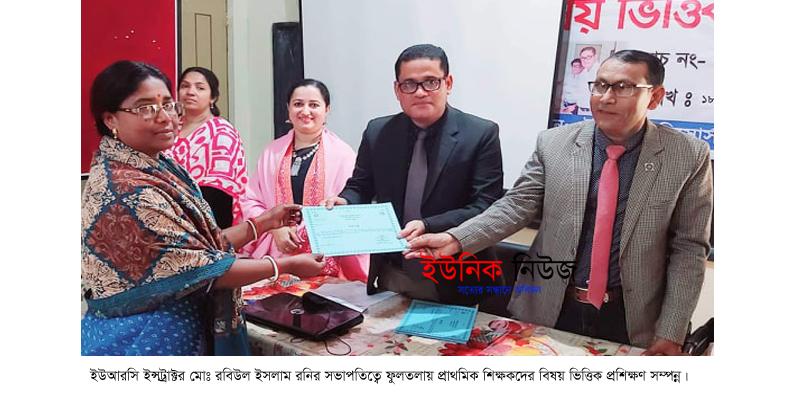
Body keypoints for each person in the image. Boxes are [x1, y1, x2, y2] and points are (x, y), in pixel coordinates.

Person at [406, 50, 713, 355]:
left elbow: (689, 248)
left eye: (623, 87)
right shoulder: (554, 143)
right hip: (550, 308)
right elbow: (515, 206)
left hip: (632, 318)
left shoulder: (688, 155)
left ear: (655, 97)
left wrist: (672, 331)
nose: (606, 97)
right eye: (600, 85)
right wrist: (455, 239)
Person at [82, 61, 324, 356]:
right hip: (143, 339)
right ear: (111, 119)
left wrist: (264, 223)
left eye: (167, 105)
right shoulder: (129, 190)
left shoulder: (158, 163)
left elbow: (195, 245)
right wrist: (286, 265)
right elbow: (202, 267)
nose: (165, 117)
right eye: (146, 108)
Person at [324, 44, 504, 305]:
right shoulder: (378, 132)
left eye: (430, 82)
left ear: (448, 83)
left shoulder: (480, 134)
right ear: (397, 90)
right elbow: (360, 186)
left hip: (456, 276)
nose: (420, 92)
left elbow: (485, 207)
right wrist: (345, 201)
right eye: (409, 84)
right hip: (393, 272)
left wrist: (428, 224)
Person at [240, 79, 368, 281]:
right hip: (275, 255)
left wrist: (305, 233)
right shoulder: (272, 152)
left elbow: (349, 209)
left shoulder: (343, 155)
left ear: (327, 110)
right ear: (288, 108)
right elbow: (251, 200)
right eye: (298, 104)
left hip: (325, 259)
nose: (305, 111)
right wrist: (274, 228)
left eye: (314, 105)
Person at [163, 67, 247, 228]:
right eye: (185, 86)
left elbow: (220, 194)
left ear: (213, 97)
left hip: (207, 223)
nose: (190, 92)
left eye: (200, 88)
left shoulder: (221, 131)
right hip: (164, 215)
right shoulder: (168, 129)